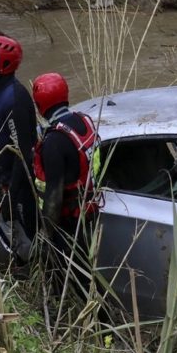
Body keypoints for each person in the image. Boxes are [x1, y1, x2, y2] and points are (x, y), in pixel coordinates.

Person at [31, 72, 100, 292]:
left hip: (69, 221)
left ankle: (95, 318)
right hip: (89, 210)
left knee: (78, 276)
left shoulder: (54, 142)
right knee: (87, 269)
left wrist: (46, 233)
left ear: (40, 104)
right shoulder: (83, 120)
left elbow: (53, 197)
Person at [0, 33, 38, 260]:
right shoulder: (1, 94)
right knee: (15, 239)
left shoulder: (14, 97)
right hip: (7, 181)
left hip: (21, 189)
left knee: (28, 242)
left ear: (4, 63)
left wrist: (12, 196)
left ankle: (34, 278)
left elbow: (23, 152)